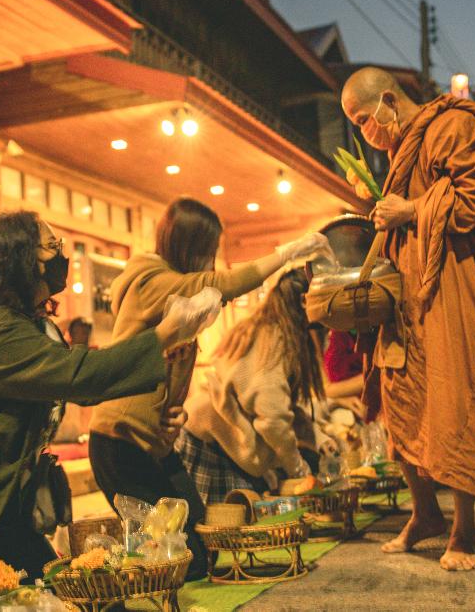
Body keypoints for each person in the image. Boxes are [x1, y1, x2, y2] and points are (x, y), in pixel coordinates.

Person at [0, 211, 215, 576]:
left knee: (55, 587)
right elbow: (80, 377)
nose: (62, 254)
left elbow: (84, 382)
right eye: (52, 246)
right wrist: (162, 334)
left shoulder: (29, 325)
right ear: (19, 256)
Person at [340, 68, 475, 571]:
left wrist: (411, 211)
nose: (366, 132)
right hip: (408, 297)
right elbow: (410, 211)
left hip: (451, 289)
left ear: (388, 100)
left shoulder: (450, 126)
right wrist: (384, 208)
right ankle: (424, 513)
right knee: (399, 401)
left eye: (364, 120)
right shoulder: (400, 150)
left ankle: (464, 530)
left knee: (454, 403)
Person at [88, 197, 329, 580]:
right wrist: (288, 253)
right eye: (210, 251)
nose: (212, 261)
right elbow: (220, 285)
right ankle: (110, 591)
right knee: (177, 559)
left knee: (201, 545)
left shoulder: (173, 291)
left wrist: (171, 408)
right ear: (192, 247)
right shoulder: (151, 281)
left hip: (154, 444)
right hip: (119, 443)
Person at [178, 269, 325, 503]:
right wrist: (298, 469)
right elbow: (273, 420)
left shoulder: (261, 326)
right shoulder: (276, 340)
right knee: (226, 528)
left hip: (212, 434)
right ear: (306, 304)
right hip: (211, 439)